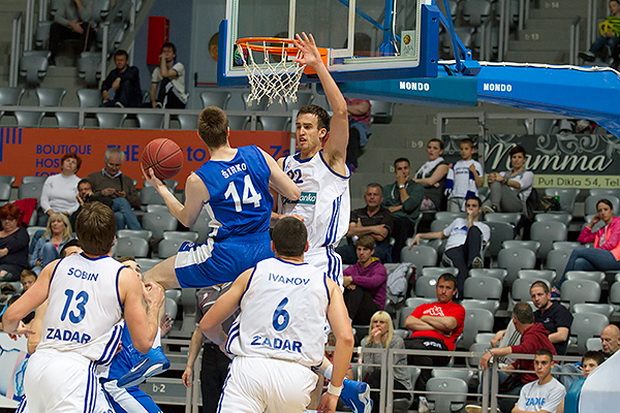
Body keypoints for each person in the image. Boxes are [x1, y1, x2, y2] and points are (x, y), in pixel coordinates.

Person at [2, 202, 164, 412]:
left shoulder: (56, 267)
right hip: (75, 371)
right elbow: (143, 343)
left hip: (38, 365)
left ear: (78, 235)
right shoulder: (123, 276)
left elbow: (10, 317)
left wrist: (14, 328)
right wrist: (154, 306)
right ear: (114, 238)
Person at [200, 217, 354, 413]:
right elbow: (346, 338)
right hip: (295, 376)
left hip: (250, 369)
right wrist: (334, 391)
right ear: (306, 247)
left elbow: (207, 324)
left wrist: (223, 342)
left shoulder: (252, 274)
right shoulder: (327, 284)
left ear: (272, 246)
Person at [142, 105, 300, 291]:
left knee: (151, 279)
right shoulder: (256, 154)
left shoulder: (199, 179)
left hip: (226, 256)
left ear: (200, 136)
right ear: (228, 131)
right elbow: (294, 193)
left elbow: (186, 219)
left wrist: (161, 188)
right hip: (264, 251)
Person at [271, 32, 351, 286]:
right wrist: (280, 220)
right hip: (285, 258)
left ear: (322, 133)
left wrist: (317, 64)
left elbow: (341, 111)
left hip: (319, 257)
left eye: (308, 127)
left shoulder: (332, 160)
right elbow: (267, 212)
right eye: (298, 127)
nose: (302, 132)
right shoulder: (283, 165)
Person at [99, 257, 168, 413]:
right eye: (128, 268)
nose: (135, 272)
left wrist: (156, 333)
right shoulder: (110, 307)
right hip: (112, 384)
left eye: (138, 269)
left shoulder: (139, 313)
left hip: (127, 385)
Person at [479, 302, 557, 413]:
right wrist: (506, 369)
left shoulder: (533, 334)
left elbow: (524, 348)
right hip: (522, 377)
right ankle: (485, 405)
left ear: (514, 320)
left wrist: (493, 351)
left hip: (533, 382)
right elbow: (522, 360)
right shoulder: (534, 331)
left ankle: (487, 406)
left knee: (503, 400)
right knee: (491, 373)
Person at [410, 196, 490, 295]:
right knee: (461, 268)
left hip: (470, 251)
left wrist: (470, 220)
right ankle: (462, 294)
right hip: (453, 250)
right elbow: (441, 235)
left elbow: (479, 243)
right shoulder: (458, 221)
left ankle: (474, 263)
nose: (470, 208)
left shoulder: (484, 227)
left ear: (479, 209)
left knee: (474, 230)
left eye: (474, 206)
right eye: (468, 206)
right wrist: (420, 235)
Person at [404, 273, 465, 400]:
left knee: (421, 350)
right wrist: (437, 328)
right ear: (436, 288)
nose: (443, 291)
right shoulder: (424, 307)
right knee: (396, 347)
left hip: (440, 347)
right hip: (414, 341)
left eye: (448, 288)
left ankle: (421, 398)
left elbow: (449, 324)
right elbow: (409, 322)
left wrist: (425, 318)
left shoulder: (458, 309)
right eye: (441, 287)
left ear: (454, 292)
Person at [182, 283, 235, 413]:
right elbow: (198, 331)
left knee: (232, 402)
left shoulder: (237, 287)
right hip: (210, 352)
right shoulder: (202, 293)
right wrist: (189, 366)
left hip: (231, 351)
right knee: (210, 402)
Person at [554, 198, 620, 292]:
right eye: (600, 211)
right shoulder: (601, 231)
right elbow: (582, 239)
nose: (603, 213)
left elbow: (611, 244)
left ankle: (559, 287)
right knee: (579, 263)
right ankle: (572, 292)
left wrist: (596, 253)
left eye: (606, 209)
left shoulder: (618, 223)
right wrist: (591, 224)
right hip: (603, 260)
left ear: (612, 210)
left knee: (578, 251)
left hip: (616, 259)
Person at [492, 281, 572, 356]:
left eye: (540, 294)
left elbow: (562, 336)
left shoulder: (560, 310)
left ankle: (502, 357)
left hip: (551, 355)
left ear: (548, 295)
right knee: (515, 321)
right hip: (533, 352)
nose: (536, 299)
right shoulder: (536, 314)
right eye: (533, 296)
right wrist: (502, 332)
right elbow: (521, 326)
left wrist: (538, 341)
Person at [361, 311, 413, 413]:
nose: (377, 325)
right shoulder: (365, 342)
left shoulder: (397, 342)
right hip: (376, 383)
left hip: (398, 384)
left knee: (377, 376)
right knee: (375, 379)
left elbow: (384, 368)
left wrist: (377, 343)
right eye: (375, 322)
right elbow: (369, 368)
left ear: (388, 325)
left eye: (382, 322)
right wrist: (374, 343)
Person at [336, 183, 394, 264]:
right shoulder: (356, 213)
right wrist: (374, 229)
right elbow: (350, 232)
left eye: (375, 195)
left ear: (381, 198)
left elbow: (381, 236)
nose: (372, 197)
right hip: (356, 247)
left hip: (376, 248)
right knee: (335, 253)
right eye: (369, 194)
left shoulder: (387, 214)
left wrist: (359, 230)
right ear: (365, 197)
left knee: (375, 254)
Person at [87, 147, 142, 230]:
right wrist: (102, 193)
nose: (113, 168)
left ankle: (117, 237)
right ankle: (137, 231)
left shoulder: (126, 180)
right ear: (105, 162)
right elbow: (87, 198)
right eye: (111, 164)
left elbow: (137, 202)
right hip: (100, 209)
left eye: (117, 165)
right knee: (121, 202)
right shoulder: (93, 178)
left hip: (118, 212)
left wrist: (126, 196)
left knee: (119, 216)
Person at [382, 157, 425, 263]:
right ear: (395, 172)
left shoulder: (417, 187)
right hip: (389, 220)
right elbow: (383, 208)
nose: (403, 172)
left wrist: (401, 186)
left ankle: (396, 262)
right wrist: (402, 206)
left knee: (401, 224)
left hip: (406, 222)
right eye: (399, 169)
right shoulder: (387, 189)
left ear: (410, 169)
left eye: (405, 168)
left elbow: (408, 206)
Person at [343, 236, 388, 326]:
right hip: (356, 310)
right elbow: (339, 278)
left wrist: (352, 279)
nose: (361, 253)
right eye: (359, 249)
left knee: (357, 289)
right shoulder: (353, 268)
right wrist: (346, 284)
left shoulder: (379, 268)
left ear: (372, 251)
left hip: (374, 311)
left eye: (365, 249)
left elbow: (373, 282)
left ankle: (346, 322)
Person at [483, 145, 534, 214]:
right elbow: (494, 190)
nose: (516, 160)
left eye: (519, 157)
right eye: (514, 157)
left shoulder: (528, 174)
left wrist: (503, 180)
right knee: (483, 206)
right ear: (511, 159)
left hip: (516, 204)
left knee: (499, 183)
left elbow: (519, 185)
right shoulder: (503, 173)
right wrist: (490, 180)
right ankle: (488, 208)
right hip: (501, 203)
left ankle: (495, 206)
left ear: (524, 160)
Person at [38, 152, 82, 226]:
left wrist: (67, 212)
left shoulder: (79, 182)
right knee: (42, 220)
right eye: (68, 161)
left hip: (68, 214)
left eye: (73, 162)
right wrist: (49, 211)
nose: (70, 163)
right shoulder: (51, 179)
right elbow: (44, 199)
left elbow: (77, 204)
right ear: (62, 164)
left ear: (76, 168)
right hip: (50, 212)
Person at [48, 0, 95, 66]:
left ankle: (83, 57)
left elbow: (86, 18)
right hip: (71, 27)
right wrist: (71, 24)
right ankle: (51, 57)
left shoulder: (89, 1)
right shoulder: (65, 1)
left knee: (87, 27)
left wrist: (79, 3)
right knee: (54, 26)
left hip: (84, 29)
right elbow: (57, 17)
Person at [445, 138, 484, 212]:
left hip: (469, 198)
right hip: (454, 196)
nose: (463, 151)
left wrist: (474, 172)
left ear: (472, 150)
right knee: (453, 217)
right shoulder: (455, 165)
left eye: (466, 149)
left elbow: (480, 184)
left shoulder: (476, 165)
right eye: (461, 149)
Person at [579, 0, 620, 66]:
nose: (612, 8)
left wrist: (614, 34)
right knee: (600, 40)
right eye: (610, 6)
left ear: (619, 6)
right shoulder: (609, 18)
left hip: (617, 37)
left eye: (614, 6)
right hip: (609, 36)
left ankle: (614, 58)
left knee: (612, 42)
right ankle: (591, 53)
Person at [413, 138, 450, 211]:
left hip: (433, 200)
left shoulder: (443, 166)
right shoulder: (422, 168)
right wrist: (425, 182)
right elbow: (413, 184)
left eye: (435, 148)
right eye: (429, 147)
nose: (431, 150)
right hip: (419, 196)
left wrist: (416, 181)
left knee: (408, 206)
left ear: (441, 151)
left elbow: (430, 181)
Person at [150, 42, 189, 109]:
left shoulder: (179, 66)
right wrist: (153, 101)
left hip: (178, 99)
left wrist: (163, 60)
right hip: (166, 98)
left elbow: (165, 74)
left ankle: (160, 103)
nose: (166, 54)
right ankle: (159, 104)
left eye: (169, 52)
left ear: (174, 55)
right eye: (164, 52)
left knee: (167, 80)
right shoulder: (157, 70)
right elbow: (153, 89)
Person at [0, 203, 29, 282]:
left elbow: (19, 243)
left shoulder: (22, 233)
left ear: (16, 219)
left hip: (15, 267)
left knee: (2, 274)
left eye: (10, 219)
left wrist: (6, 250)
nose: (7, 222)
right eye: (4, 219)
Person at [345, 98, 371, 171]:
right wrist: (353, 109)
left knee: (353, 134)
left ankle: (351, 163)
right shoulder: (344, 98)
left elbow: (362, 109)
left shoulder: (362, 98)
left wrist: (345, 107)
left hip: (359, 125)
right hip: (345, 124)